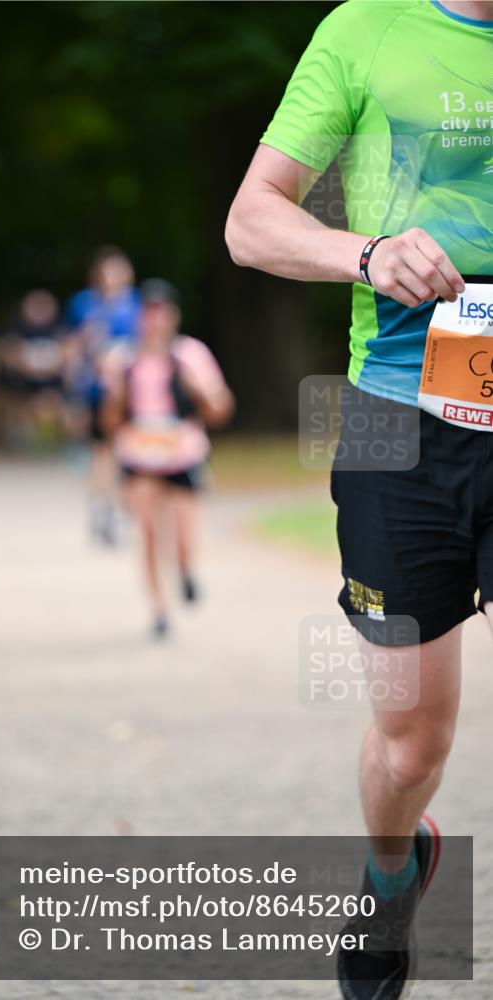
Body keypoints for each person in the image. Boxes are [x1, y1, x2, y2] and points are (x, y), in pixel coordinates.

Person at [226, 1, 492, 996]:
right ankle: (393, 873)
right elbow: (251, 221)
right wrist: (369, 253)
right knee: (409, 739)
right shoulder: (365, 29)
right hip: (394, 420)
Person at [103, 279, 234, 638]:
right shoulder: (122, 358)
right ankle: (159, 608)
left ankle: (186, 569)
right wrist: (116, 396)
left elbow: (220, 408)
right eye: (149, 312)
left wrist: (199, 390)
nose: (155, 320)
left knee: (183, 534)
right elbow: (108, 421)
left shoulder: (191, 355)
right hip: (140, 456)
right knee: (147, 533)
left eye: (161, 312)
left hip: (182, 454)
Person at [64, 246, 141, 544]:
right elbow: (71, 345)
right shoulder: (84, 305)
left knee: (128, 448)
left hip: (132, 388)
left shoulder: (137, 305)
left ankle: (123, 507)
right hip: (97, 389)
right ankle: (101, 507)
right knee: (102, 450)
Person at [0, 288, 69, 451]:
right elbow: (8, 354)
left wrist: (48, 367)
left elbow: (68, 353)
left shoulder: (59, 328)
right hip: (21, 383)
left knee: (51, 405)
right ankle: (21, 443)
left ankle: (50, 444)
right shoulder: (16, 328)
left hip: (50, 383)